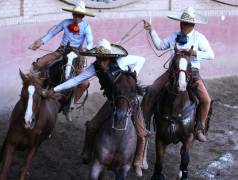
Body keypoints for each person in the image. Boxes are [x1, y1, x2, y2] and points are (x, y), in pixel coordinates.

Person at [51, 39, 149, 176]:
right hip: (113, 102)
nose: (101, 62)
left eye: (104, 59)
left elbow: (141, 60)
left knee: (141, 132)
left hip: (131, 101)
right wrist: (54, 89)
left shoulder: (121, 61)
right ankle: (87, 152)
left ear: (110, 57)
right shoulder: (94, 67)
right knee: (92, 126)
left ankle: (138, 161)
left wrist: (132, 75)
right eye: (99, 58)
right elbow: (76, 80)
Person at [143, 7, 215, 142]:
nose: (183, 25)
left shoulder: (199, 38)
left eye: (187, 24)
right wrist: (151, 30)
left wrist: (194, 53)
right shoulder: (173, 35)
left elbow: (211, 54)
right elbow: (159, 45)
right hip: (173, 72)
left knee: (206, 100)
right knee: (152, 90)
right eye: (182, 22)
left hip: (192, 73)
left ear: (193, 25)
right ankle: (145, 123)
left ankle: (200, 127)